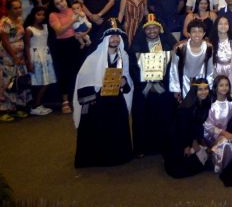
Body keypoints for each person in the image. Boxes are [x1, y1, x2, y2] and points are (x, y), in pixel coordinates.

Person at [72, 25, 134, 168]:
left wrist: (124, 81)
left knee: (118, 124)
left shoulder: (123, 56)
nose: (115, 39)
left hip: (116, 98)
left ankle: (117, 157)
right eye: (112, 37)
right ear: (106, 39)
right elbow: (84, 78)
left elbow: (127, 76)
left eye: (117, 37)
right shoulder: (94, 58)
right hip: (97, 99)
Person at [128, 14, 177, 158]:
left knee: (165, 115)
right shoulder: (137, 45)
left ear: (160, 28)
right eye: (148, 28)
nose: (152, 31)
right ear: (144, 30)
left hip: (164, 87)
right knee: (143, 117)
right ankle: (143, 147)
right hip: (144, 89)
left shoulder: (168, 43)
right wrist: (148, 82)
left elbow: (173, 66)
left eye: (154, 27)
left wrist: (161, 82)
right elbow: (133, 67)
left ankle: (164, 145)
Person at [164, 77, 212, 178]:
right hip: (180, 139)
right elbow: (182, 129)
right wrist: (187, 145)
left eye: (206, 89)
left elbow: (198, 126)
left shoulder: (204, 103)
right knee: (181, 169)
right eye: (200, 89)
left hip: (193, 137)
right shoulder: (187, 107)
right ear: (195, 91)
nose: (204, 92)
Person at [0, 0, 31, 121]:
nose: (19, 10)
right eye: (15, 8)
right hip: (8, 55)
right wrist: (14, 56)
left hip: (20, 55)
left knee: (18, 81)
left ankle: (17, 107)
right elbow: (5, 42)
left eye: (19, 7)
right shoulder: (5, 22)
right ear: (9, 9)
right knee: (7, 81)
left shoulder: (19, 20)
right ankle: (4, 110)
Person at [170, 20, 215, 100]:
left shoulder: (208, 47)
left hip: (201, 80)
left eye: (200, 31)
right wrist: (176, 88)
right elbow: (174, 68)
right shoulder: (180, 47)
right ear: (189, 34)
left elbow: (210, 69)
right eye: (194, 31)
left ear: (204, 33)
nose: (197, 34)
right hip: (184, 79)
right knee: (185, 105)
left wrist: (210, 86)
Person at [203, 75, 232, 173]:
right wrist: (223, 133)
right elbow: (208, 125)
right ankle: (220, 165)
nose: (224, 88)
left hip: (229, 131)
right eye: (221, 85)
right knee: (225, 142)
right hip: (212, 135)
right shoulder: (211, 103)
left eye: (227, 85)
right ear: (216, 87)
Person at [24, 7, 55, 116]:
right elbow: (27, 46)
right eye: (38, 14)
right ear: (33, 15)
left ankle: (38, 104)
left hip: (45, 56)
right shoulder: (29, 29)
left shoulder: (45, 27)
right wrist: (29, 61)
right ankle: (35, 105)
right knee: (38, 82)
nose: (41, 17)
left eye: (43, 15)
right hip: (36, 56)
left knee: (46, 81)